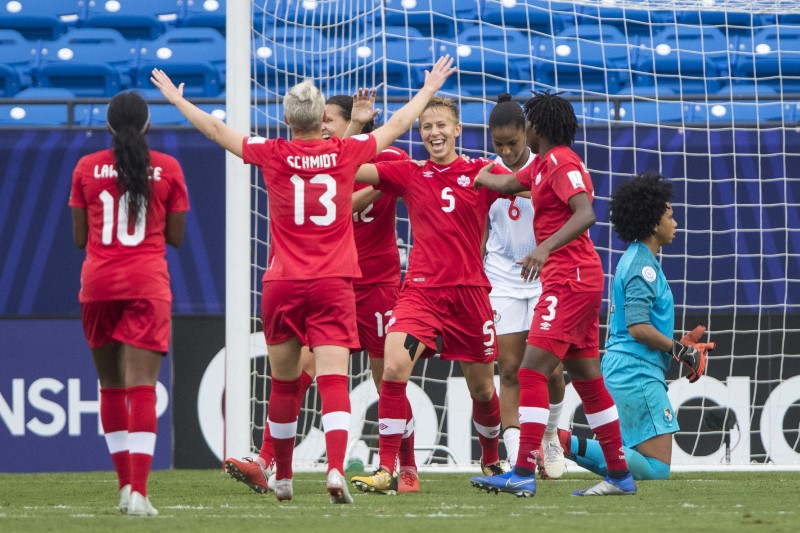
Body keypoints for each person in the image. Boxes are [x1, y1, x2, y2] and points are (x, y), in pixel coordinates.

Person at [150, 56, 455, 504]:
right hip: (334, 280)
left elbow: (218, 131)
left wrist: (178, 99)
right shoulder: (348, 151)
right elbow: (399, 123)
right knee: (336, 379)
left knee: (287, 380)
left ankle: (287, 474)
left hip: (287, 282)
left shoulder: (274, 152)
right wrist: (427, 90)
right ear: (322, 121)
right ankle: (332, 469)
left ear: (288, 119)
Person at [224, 94, 421, 494]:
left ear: (353, 122)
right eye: (324, 120)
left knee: (388, 379)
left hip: (376, 282)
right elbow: (335, 187)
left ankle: (408, 467)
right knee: (299, 373)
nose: (326, 126)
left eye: (332, 120)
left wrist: (370, 177)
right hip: (335, 283)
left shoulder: (386, 157)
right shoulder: (339, 156)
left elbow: (346, 185)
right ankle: (265, 459)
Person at [469, 90, 636, 497]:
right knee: (588, 378)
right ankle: (619, 474)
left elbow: (586, 212)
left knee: (529, 372)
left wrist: (543, 248)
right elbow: (507, 182)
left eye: (528, 123)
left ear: (537, 127)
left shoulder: (562, 161)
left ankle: (523, 471)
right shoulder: (542, 166)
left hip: (570, 278)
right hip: (572, 278)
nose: (525, 129)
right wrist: (471, 173)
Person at [349, 96, 506, 494]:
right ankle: (390, 468)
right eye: (426, 127)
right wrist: (358, 126)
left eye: (440, 125)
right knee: (393, 369)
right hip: (421, 292)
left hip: (470, 293)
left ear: (457, 130)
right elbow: (347, 163)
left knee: (483, 389)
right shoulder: (407, 173)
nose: (434, 133)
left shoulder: (480, 171)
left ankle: (491, 460)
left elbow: (527, 185)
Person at [69, 91, 190, 516]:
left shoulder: (86, 167)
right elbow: (175, 238)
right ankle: (139, 492)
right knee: (142, 387)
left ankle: (124, 488)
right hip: (146, 282)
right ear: (148, 126)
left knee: (110, 387)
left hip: (98, 283)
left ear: (107, 126)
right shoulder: (169, 168)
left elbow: (80, 239)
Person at [557, 172, 714, 480]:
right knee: (655, 470)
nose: (675, 222)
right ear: (655, 223)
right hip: (635, 373)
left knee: (627, 468)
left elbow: (642, 326)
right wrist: (680, 350)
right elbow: (637, 327)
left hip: (629, 368)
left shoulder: (638, 259)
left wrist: (676, 345)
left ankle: (560, 443)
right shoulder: (643, 267)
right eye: (670, 216)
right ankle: (559, 441)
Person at [485, 94, 567, 478]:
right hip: (502, 278)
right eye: (498, 144)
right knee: (509, 369)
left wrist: (505, 186)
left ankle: (550, 436)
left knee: (549, 370)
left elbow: (568, 203)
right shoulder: (486, 171)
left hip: (545, 277)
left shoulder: (549, 166)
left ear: (527, 134)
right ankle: (521, 455)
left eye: (512, 143)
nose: (506, 151)